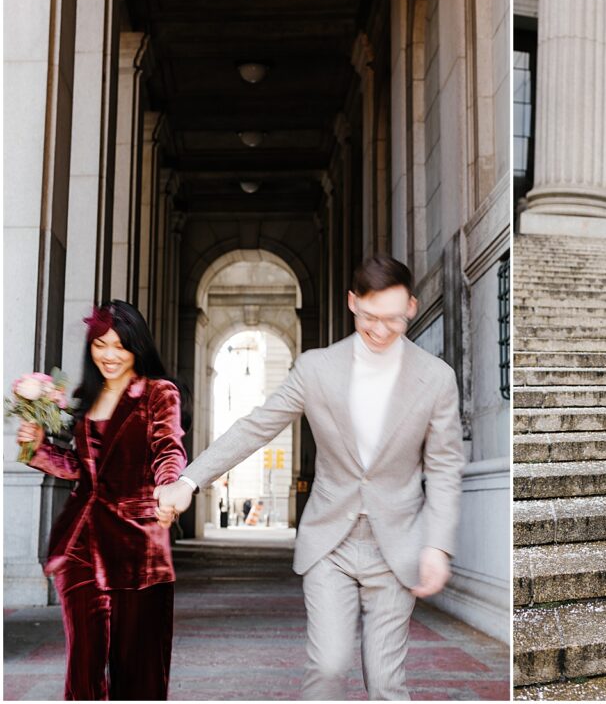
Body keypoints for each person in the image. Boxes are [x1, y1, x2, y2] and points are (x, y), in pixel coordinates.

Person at [153, 254, 464, 700]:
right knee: (328, 665)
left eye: (393, 319)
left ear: (411, 307)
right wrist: (189, 481)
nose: (379, 330)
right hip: (330, 542)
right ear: (352, 303)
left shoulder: (436, 379)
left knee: (386, 681)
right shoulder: (316, 368)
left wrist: (437, 545)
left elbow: (445, 467)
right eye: (370, 317)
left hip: (399, 543)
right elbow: (256, 426)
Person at [16, 301, 188, 700]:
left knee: (138, 672)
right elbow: (78, 467)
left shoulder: (158, 394)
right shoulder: (85, 395)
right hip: (81, 545)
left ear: (136, 347)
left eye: (119, 346)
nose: (109, 355)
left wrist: (169, 486)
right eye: (100, 345)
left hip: (138, 548)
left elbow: (169, 449)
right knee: (84, 666)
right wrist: (37, 448)